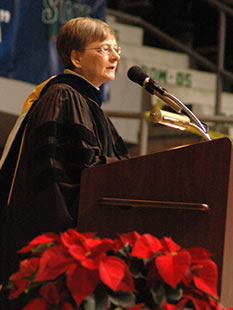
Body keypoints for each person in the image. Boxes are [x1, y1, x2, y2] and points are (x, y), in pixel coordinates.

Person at [0, 17, 129, 308]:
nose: (115, 56)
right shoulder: (63, 97)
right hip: (63, 246)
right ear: (76, 57)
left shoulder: (90, 106)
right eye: (104, 48)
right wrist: (70, 239)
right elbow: (64, 174)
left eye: (116, 48)